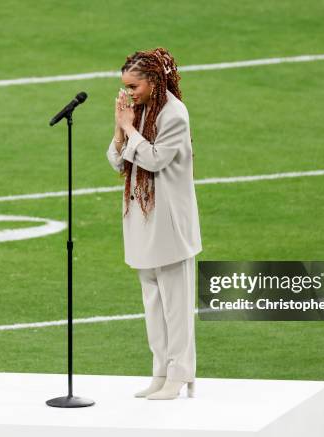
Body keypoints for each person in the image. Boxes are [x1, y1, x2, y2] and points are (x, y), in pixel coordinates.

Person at [105, 48, 203, 400]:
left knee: (176, 304)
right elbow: (117, 161)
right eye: (126, 87)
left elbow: (156, 159)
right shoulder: (140, 111)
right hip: (143, 220)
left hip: (169, 221)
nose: (129, 93)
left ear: (153, 81)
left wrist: (129, 128)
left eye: (134, 86)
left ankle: (181, 374)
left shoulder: (174, 114)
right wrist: (122, 129)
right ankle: (160, 371)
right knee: (153, 302)